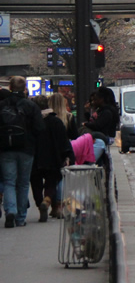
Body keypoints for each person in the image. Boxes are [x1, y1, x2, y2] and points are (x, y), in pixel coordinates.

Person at [1, 77, 46, 228]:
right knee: (23, 183)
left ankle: (10, 211)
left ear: (10, 87)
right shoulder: (31, 106)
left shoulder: (2, 105)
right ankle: (20, 218)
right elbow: (40, 128)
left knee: (9, 181)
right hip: (26, 148)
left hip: (6, 148)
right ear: (25, 88)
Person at [30, 95, 72, 223]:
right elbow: (63, 142)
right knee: (51, 182)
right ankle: (47, 200)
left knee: (36, 182)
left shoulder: (31, 121)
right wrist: (66, 155)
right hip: (53, 157)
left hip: (35, 158)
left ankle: (39, 203)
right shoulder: (56, 121)